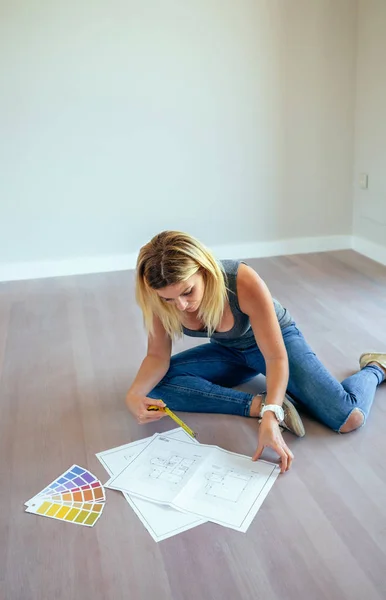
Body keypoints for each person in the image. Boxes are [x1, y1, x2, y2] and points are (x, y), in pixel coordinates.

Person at [126, 231, 386, 473]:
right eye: (168, 299)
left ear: (204, 270)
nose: (181, 306)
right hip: (230, 350)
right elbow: (157, 356)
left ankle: (376, 367)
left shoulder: (241, 280)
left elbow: (275, 357)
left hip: (275, 344)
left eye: (187, 292)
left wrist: (271, 420)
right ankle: (257, 404)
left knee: (348, 418)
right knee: (153, 388)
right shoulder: (158, 298)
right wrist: (134, 395)